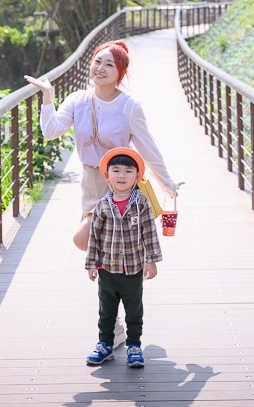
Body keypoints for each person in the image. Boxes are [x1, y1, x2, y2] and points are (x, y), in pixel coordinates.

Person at [24, 39, 181, 251]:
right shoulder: (77, 100)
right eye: (98, 61)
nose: (100, 68)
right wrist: (47, 96)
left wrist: (167, 183)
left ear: (120, 73)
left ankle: (127, 278)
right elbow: (51, 131)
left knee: (89, 239)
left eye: (109, 65)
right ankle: (113, 280)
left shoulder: (129, 106)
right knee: (93, 244)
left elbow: (148, 148)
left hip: (120, 181)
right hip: (91, 181)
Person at [84, 147, 161, 368]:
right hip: (107, 268)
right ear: (106, 175)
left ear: (137, 176)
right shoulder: (102, 205)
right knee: (106, 310)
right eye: (115, 170)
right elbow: (95, 237)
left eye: (128, 171)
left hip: (133, 268)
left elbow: (149, 232)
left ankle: (134, 345)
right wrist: (91, 263)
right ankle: (105, 344)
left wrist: (151, 260)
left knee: (134, 309)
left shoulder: (141, 203)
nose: (121, 176)